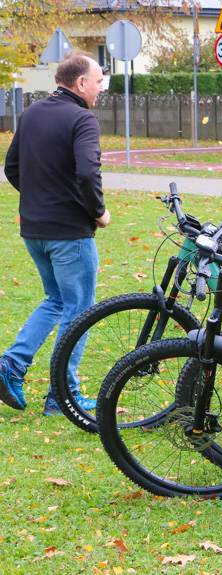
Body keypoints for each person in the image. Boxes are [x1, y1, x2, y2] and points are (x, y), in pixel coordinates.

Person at [0, 51, 110, 415]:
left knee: (56, 301)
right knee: (78, 311)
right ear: (80, 83)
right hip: (70, 233)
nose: (100, 88)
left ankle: (10, 367)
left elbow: (11, 167)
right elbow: (87, 174)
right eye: (98, 82)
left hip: (34, 229)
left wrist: (40, 199)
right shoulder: (83, 119)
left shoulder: (31, 113)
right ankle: (64, 396)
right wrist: (98, 213)